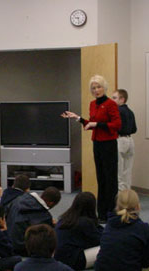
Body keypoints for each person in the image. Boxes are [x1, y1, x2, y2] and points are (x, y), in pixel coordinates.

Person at [62, 75, 121, 222]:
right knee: (101, 179)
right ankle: (101, 214)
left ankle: (111, 213)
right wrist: (77, 118)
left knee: (110, 180)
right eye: (93, 88)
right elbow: (90, 123)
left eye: (98, 87)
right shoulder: (92, 104)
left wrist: (96, 125)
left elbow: (117, 125)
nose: (96, 90)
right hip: (97, 143)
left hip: (109, 144)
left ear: (104, 88)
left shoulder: (111, 104)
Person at [95, 189, 149, 271]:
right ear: (138, 206)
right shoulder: (143, 227)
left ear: (117, 205)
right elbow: (147, 262)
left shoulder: (109, 224)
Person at [7, 186, 61, 256]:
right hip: (24, 248)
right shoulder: (45, 216)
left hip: (8, 241)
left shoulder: (19, 199)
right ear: (51, 203)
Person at [55, 192, 102, 271]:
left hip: (58, 258)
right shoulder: (85, 222)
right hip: (73, 261)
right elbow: (100, 239)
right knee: (109, 247)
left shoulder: (65, 218)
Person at [111, 89, 137, 191]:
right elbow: (134, 129)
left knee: (118, 172)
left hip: (120, 141)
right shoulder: (130, 112)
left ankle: (120, 199)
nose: (112, 100)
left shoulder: (117, 111)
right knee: (127, 172)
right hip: (130, 141)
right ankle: (128, 196)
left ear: (122, 99)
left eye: (114, 98)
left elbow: (114, 127)